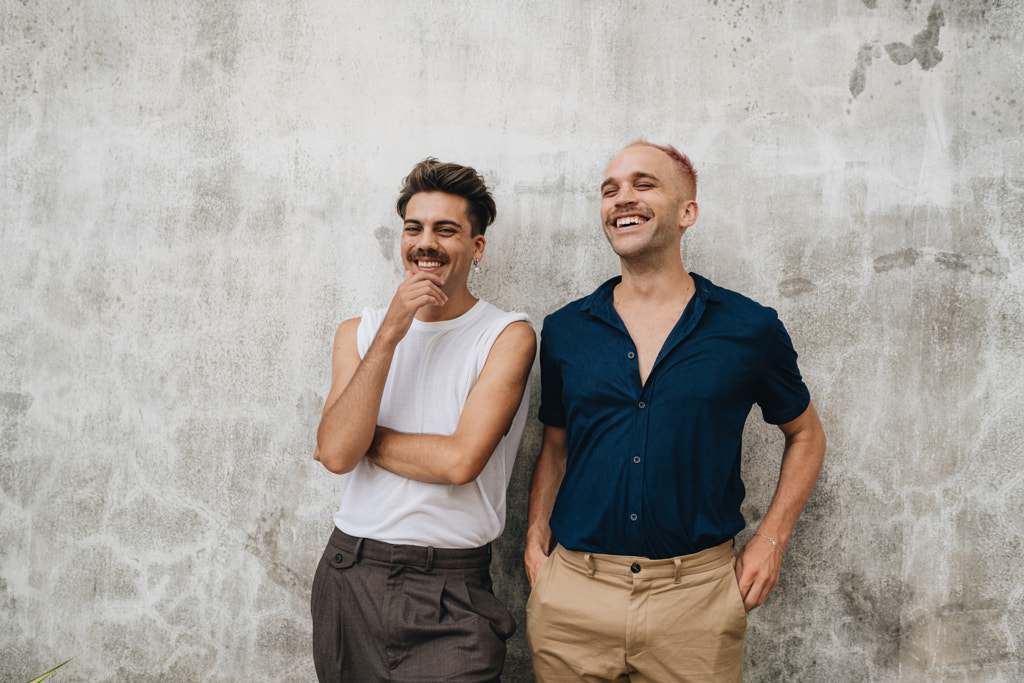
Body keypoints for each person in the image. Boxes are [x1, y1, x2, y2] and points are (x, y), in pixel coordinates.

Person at [524, 141, 826, 682]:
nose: (622, 198)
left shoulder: (749, 328)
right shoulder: (566, 329)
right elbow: (556, 445)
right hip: (573, 597)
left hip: (697, 604)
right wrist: (534, 546)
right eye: (610, 189)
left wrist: (771, 539)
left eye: (644, 184)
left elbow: (805, 434)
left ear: (687, 212)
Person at [312, 158, 536, 683]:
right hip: (352, 575)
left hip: (451, 590)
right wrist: (392, 329)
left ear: (477, 247)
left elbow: (460, 462)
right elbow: (337, 455)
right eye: (414, 228)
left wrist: (366, 437)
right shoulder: (359, 332)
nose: (425, 242)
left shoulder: (506, 336)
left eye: (446, 229)